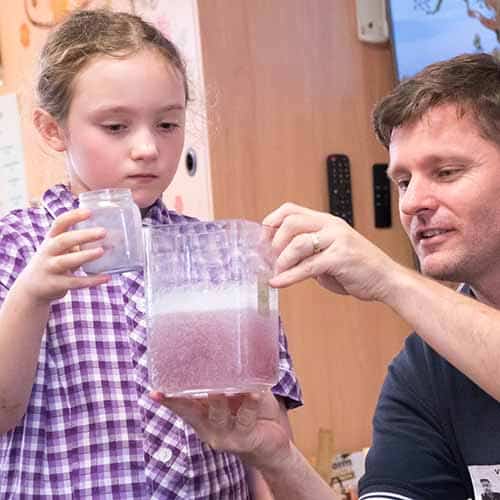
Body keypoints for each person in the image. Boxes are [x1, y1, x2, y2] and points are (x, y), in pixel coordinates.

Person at [154, 52, 500, 500]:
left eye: (446, 172)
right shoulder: (424, 369)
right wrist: (278, 459)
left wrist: (388, 279)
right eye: (402, 182)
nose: (413, 202)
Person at [0, 9, 303, 498]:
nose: (146, 148)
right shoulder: (14, 246)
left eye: (167, 124)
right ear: (52, 129)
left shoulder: (220, 257)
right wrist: (32, 295)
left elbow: (266, 444)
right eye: (116, 126)